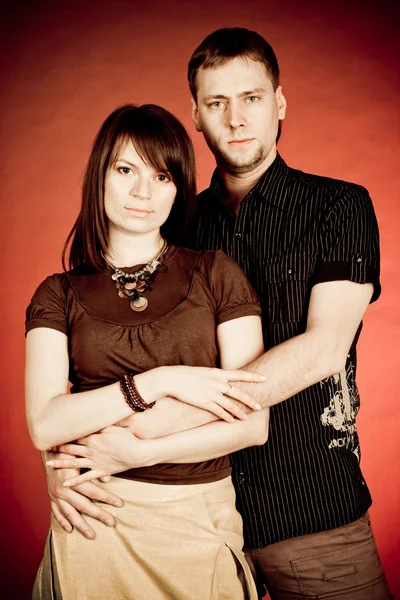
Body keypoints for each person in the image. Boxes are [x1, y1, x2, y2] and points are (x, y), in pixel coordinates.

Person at [41, 28, 393, 600]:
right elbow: (99, 349)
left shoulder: (340, 205)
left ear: (279, 103)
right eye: (216, 103)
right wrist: (65, 469)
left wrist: (153, 425)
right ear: (197, 118)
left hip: (310, 511)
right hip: (189, 516)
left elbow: (324, 349)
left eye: (251, 98)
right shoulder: (175, 221)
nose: (236, 120)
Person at [25, 102, 272, 599]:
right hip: (95, 518)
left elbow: (252, 424)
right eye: (125, 170)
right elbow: (46, 423)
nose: (143, 192)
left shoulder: (216, 272)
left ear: (179, 188)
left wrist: (141, 452)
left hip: (198, 517)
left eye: (162, 176)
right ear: (100, 177)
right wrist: (161, 380)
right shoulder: (58, 293)